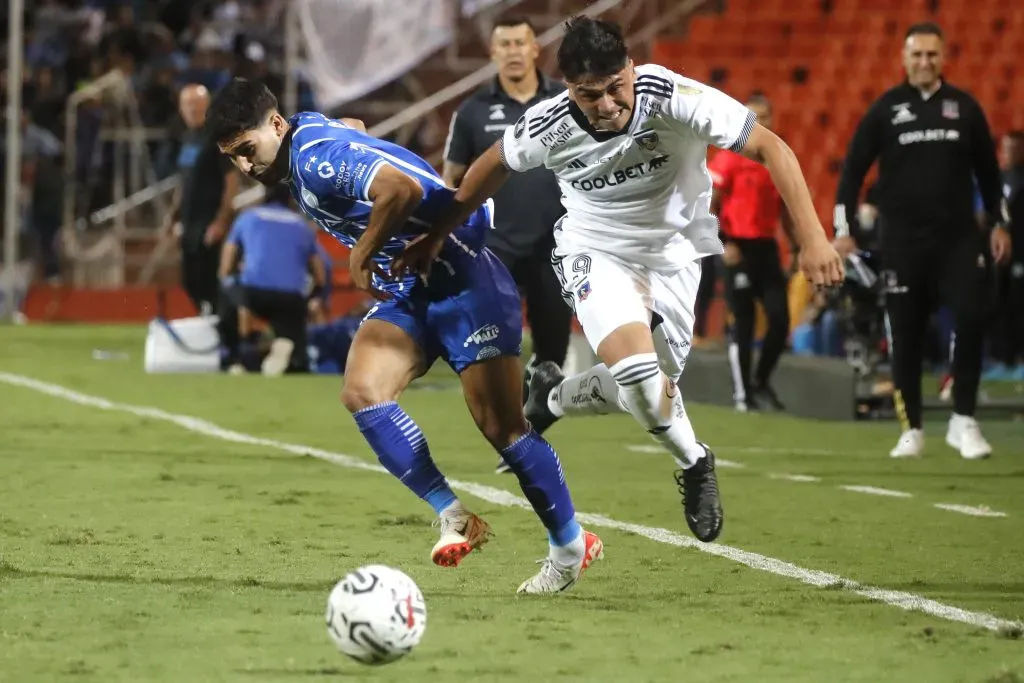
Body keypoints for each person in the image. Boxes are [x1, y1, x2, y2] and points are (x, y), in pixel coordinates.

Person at [395, 16, 844, 544]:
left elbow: (772, 147)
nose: (607, 105)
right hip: (595, 249)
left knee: (656, 388)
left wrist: (814, 238)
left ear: (631, 68)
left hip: (675, 255)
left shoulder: (671, 95)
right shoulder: (550, 125)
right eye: (590, 95)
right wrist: (436, 234)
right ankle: (696, 462)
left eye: (615, 88)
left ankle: (554, 398)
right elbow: (489, 167)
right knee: (635, 371)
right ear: (568, 89)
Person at [205, 79, 602, 594]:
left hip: (463, 277)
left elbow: (401, 189)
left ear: (275, 126)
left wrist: (361, 248)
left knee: (502, 428)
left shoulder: (312, 161)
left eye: (246, 149)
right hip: (409, 288)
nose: (244, 165)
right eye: (232, 157)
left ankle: (571, 545)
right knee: (363, 393)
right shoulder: (308, 131)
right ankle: (455, 516)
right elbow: (356, 129)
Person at [833, 22, 1012, 459]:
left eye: (932, 54)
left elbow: (991, 177)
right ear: (904, 58)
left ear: (943, 58)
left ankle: (963, 421)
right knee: (906, 334)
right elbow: (852, 174)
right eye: (917, 54)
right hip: (904, 242)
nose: (924, 62)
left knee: (972, 315)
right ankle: (911, 427)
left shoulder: (964, 108)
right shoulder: (885, 110)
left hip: (959, 240)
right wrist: (844, 231)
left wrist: (1000, 223)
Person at [442, 16, 572, 474]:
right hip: (492, 249)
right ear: (494, 54)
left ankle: (531, 425)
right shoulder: (473, 111)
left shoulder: (565, 99)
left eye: (521, 42)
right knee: (497, 350)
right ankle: (516, 440)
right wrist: (445, 230)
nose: (514, 51)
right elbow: (451, 178)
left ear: (536, 48)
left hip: (559, 245)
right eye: (505, 44)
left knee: (552, 356)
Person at [709, 92, 795, 412]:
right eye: (752, 118)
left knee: (780, 319)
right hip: (737, 247)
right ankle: (743, 394)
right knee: (743, 321)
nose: (759, 124)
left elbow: (786, 208)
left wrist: (797, 247)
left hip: (766, 247)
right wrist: (723, 244)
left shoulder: (777, 158)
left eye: (764, 117)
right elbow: (708, 208)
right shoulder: (728, 158)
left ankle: (760, 380)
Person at [218, 182, 324, 376]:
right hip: (291, 296)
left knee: (229, 300)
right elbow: (319, 272)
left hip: (254, 293)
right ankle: (285, 352)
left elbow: (227, 260)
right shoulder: (302, 225)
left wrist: (228, 282)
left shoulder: (248, 217)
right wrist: (311, 297)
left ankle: (242, 356)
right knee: (296, 357)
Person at [163, 84, 241, 315]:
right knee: (190, 279)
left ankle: (220, 327)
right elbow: (185, 181)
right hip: (189, 220)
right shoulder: (187, 138)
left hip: (209, 220)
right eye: (187, 105)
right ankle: (206, 316)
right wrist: (173, 214)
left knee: (211, 279)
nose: (192, 110)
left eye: (197, 105)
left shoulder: (217, 137)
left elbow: (231, 181)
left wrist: (221, 220)